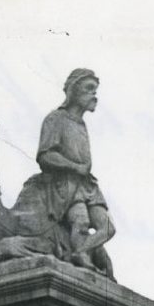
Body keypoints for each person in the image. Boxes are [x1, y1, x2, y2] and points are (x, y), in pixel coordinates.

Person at [36, 69, 116, 276]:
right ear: (73, 90)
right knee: (80, 222)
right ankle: (80, 257)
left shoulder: (81, 124)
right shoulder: (55, 119)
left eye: (95, 90)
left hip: (88, 184)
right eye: (88, 89)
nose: (94, 95)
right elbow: (45, 156)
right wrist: (74, 166)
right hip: (66, 185)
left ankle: (79, 251)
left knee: (108, 228)